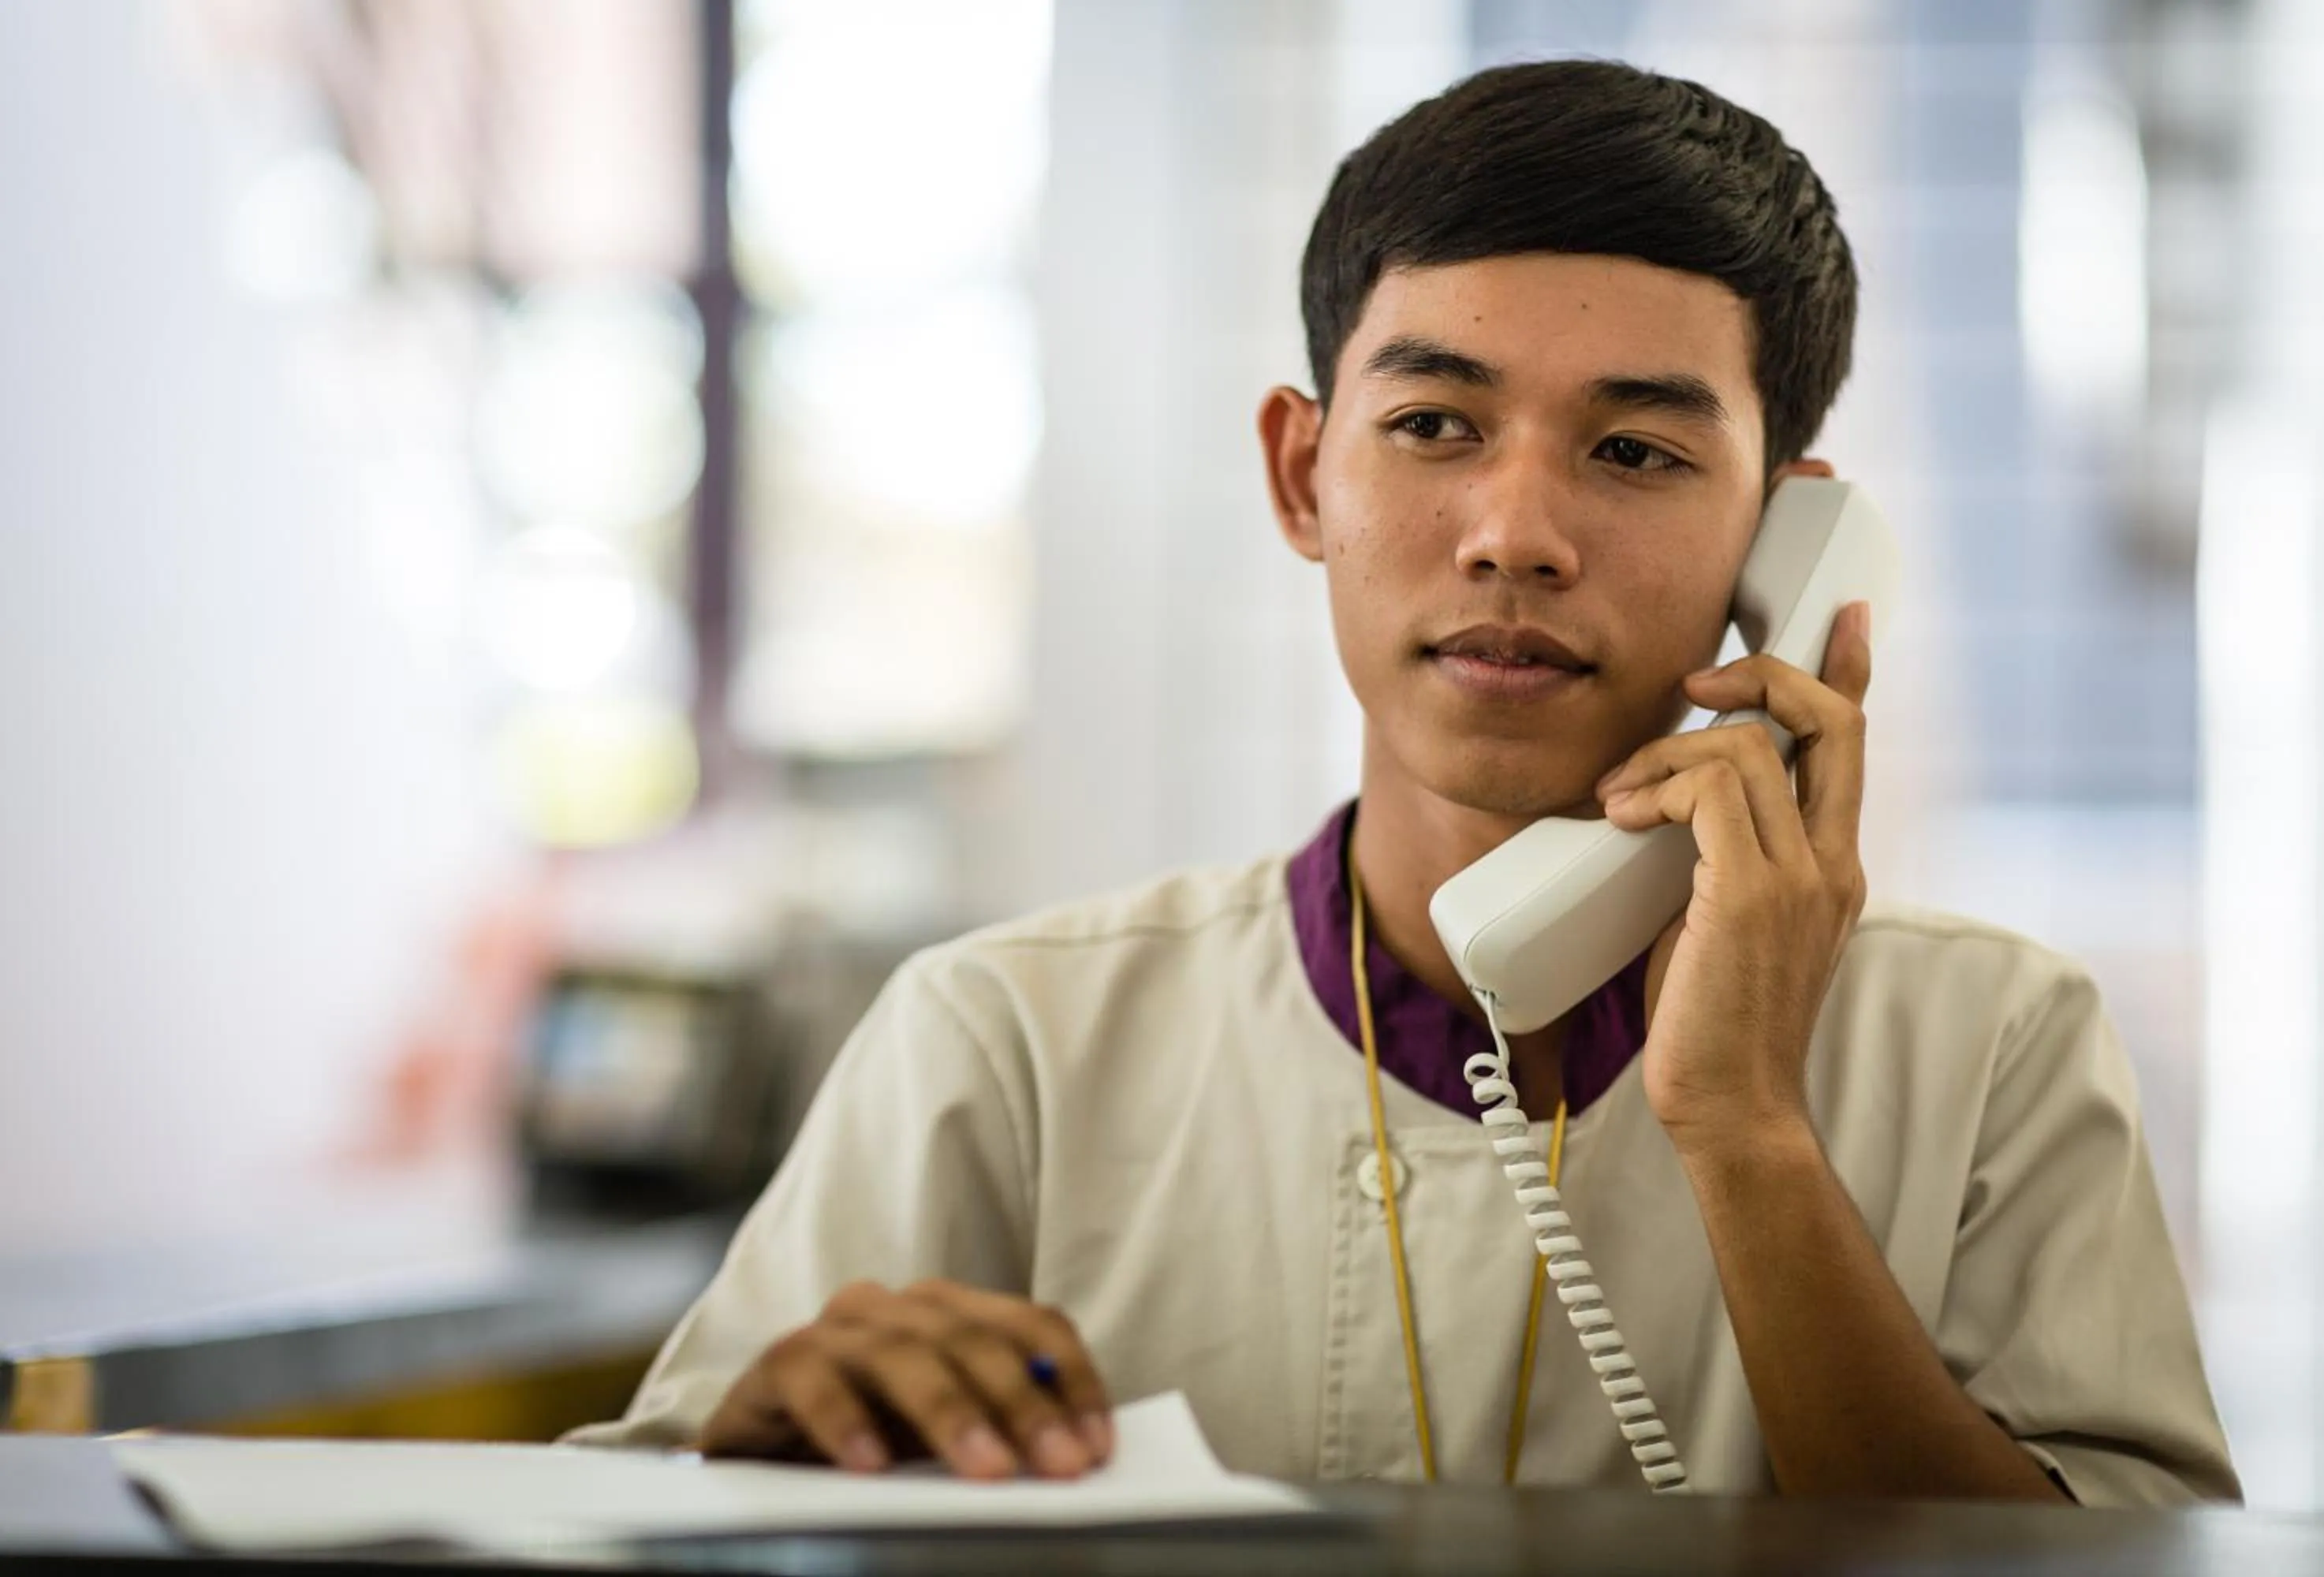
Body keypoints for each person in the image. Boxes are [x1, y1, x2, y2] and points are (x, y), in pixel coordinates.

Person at [569, 58, 2239, 1504]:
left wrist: (1745, 1128)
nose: (1516, 531)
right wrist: (762, 1459)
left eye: (1638, 451)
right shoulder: (1005, 1041)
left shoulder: (1994, 1041)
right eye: (1437, 425)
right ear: (1306, 474)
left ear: (1782, 541)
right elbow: (617, 1512)